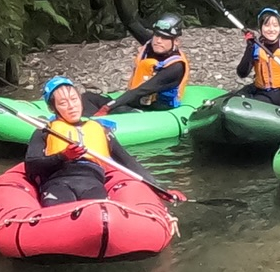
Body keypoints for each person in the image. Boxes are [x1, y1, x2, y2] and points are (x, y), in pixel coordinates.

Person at [23, 77, 182, 205]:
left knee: (101, 218)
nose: (72, 106)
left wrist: (162, 190)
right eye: (63, 103)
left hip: (92, 182)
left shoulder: (101, 130)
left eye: (74, 99)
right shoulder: (44, 131)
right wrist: (63, 156)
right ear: (53, 108)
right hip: (58, 182)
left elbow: (129, 163)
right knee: (59, 210)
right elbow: (31, 167)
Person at [105, 0, 190, 114]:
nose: (158, 40)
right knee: (90, 97)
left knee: (117, 109)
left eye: (165, 37)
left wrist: (109, 106)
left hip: (156, 109)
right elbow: (130, 22)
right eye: (157, 35)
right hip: (138, 99)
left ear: (176, 41)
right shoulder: (151, 42)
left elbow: (142, 90)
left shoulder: (176, 67)